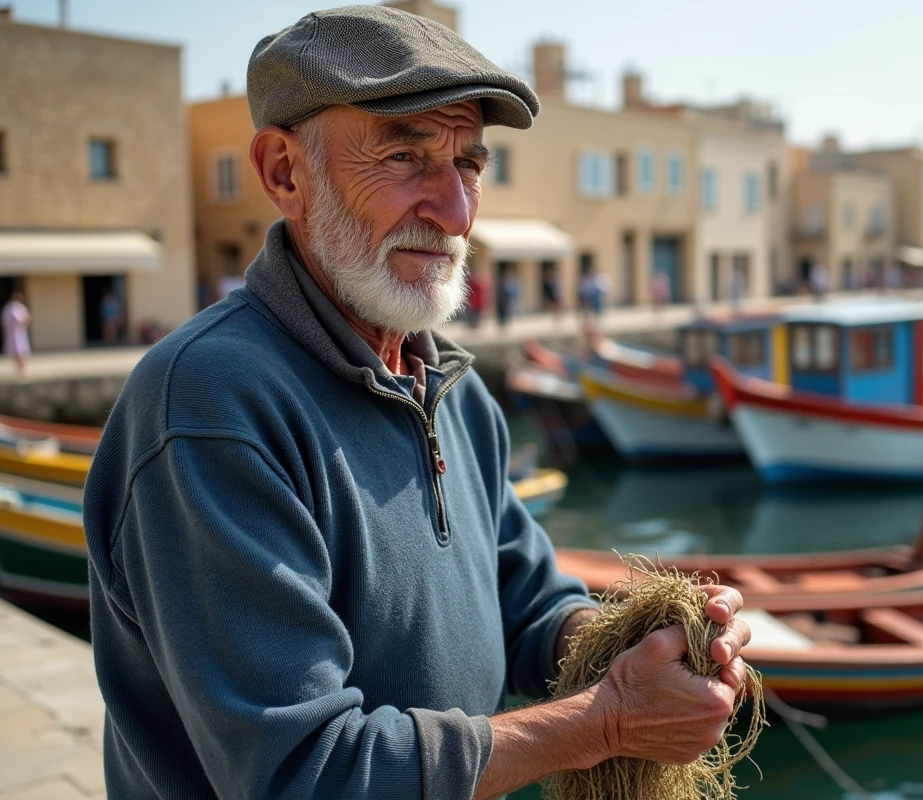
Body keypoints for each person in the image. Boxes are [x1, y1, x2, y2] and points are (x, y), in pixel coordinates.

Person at [82, 8, 750, 800]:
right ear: (284, 173)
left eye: (468, 165)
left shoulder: (454, 394)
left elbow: (526, 598)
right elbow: (303, 773)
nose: (457, 213)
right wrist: (602, 723)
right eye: (405, 156)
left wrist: (643, 643)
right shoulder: (207, 404)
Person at [1, 291, 31, 377]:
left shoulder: (16, 307)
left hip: (19, 333)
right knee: (18, 352)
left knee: (21, 352)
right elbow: (20, 319)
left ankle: (22, 370)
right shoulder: (12, 307)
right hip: (15, 333)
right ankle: (21, 371)